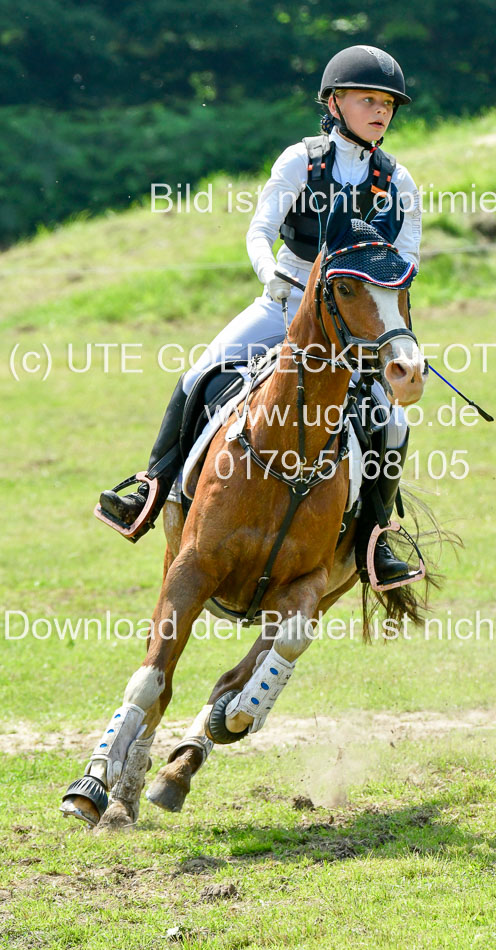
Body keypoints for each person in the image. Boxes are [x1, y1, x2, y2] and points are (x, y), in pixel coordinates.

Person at [98, 44, 423, 585]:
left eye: (387, 103)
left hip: (350, 323)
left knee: (392, 422)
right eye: (367, 99)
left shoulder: (398, 182)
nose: (380, 111)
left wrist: (387, 319)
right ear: (335, 103)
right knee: (198, 375)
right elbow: (260, 231)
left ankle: (374, 539)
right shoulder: (301, 161)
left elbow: (407, 258)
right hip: (286, 300)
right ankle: (151, 489)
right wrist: (268, 271)